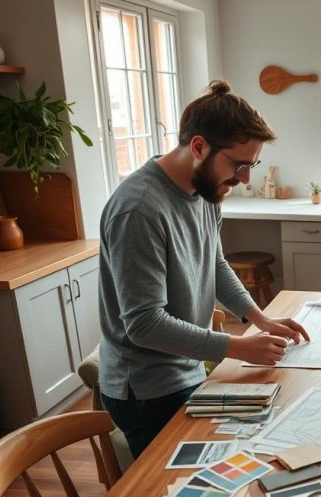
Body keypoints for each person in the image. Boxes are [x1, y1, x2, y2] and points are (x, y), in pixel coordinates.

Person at [98, 80, 309, 459]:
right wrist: (237, 346)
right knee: (168, 496)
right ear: (198, 147)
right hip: (147, 390)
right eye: (240, 164)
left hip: (187, 369)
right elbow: (144, 323)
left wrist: (257, 317)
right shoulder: (139, 210)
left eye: (252, 165)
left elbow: (213, 262)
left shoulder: (206, 191)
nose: (245, 178)